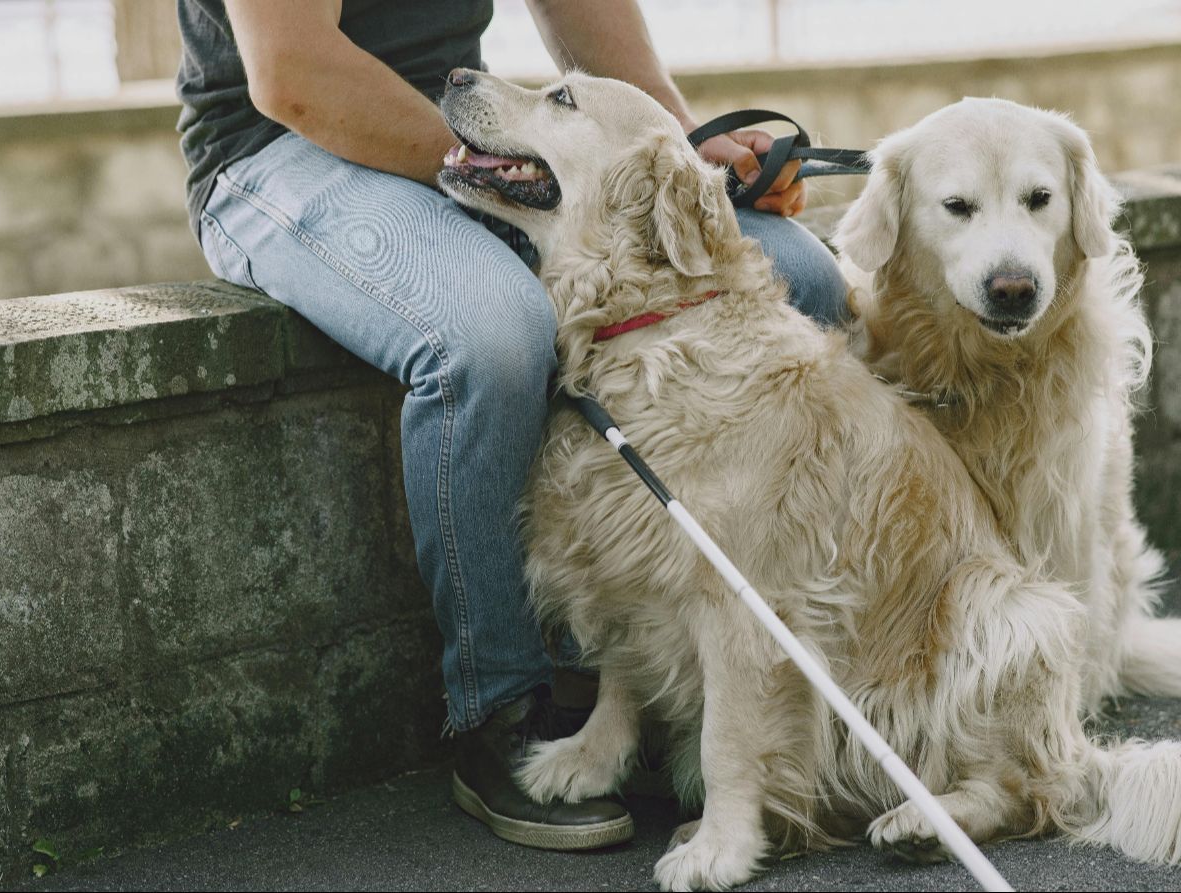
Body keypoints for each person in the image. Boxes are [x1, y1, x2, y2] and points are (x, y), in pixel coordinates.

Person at [176, 0, 847, 849]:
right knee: (491, 332)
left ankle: (726, 684)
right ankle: (501, 703)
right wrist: (504, 171)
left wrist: (672, 146)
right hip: (281, 149)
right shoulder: (314, 125)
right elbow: (293, 73)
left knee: (800, 273)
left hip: (478, 134)